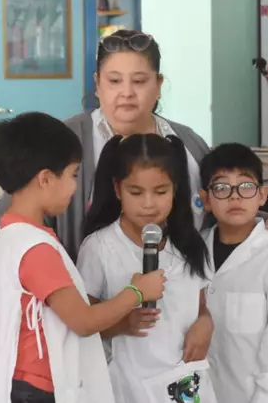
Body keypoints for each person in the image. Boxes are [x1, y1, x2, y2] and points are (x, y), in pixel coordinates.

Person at [0, 29, 268, 259]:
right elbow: (13, 214)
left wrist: (264, 221)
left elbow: (220, 201)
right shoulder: (63, 141)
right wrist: (59, 283)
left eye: (138, 81)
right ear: (97, 84)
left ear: (158, 85)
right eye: (114, 81)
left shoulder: (187, 142)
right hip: (87, 305)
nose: (126, 93)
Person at [0, 113, 166, 403]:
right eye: (73, 175)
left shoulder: (13, 231)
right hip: (40, 390)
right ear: (45, 179)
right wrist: (137, 291)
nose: (75, 187)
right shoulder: (35, 248)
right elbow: (83, 320)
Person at [77, 133, 218, 403]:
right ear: (117, 189)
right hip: (129, 387)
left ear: (175, 189)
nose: (149, 204)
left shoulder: (190, 244)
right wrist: (121, 323)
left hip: (187, 383)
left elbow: (200, 305)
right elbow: (82, 322)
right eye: (136, 192)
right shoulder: (99, 247)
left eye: (161, 191)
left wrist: (205, 322)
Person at [197, 143, 268, 403]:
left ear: (262, 195)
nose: (235, 197)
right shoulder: (191, 256)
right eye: (222, 187)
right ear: (205, 199)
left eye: (246, 186)